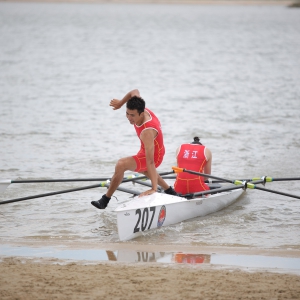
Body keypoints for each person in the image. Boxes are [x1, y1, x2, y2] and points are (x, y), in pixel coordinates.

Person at [91, 89, 177, 210]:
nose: (129, 118)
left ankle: (105, 200)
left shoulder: (147, 131)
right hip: (147, 148)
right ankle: (170, 191)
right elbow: (134, 91)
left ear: (141, 114)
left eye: (132, 115)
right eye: (127, 113)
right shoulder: (139, 105)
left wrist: (153, 188)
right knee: (142, 168)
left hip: (154, 155)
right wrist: (121, 103)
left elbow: (151, 162)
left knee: (122, 164)